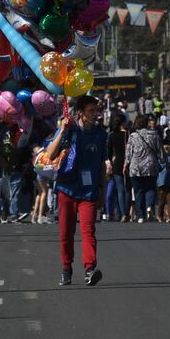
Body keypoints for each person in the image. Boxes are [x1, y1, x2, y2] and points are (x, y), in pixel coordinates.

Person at [43, 95, 107, 286]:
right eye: (91, 111)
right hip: (67, 187)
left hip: (89, 190)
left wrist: (102, 191)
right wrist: (63, 130)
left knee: (88, 231)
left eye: (96, 111)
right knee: (66, 232)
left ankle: (90, 269)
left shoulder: (100, 134)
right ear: (80, 113)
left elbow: (102, 166)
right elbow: (50, 154)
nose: (95, 115)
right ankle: (66, 268)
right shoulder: (69, 129)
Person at [124, 113, 163, 223]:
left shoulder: (133, 136)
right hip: (151, 165)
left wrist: (126, 164)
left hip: (136, 167)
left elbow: (128, 152)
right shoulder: (154, 134)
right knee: (150, 188)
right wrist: (163, 160)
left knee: (138, 191)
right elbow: (160, 151)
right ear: (147, 123)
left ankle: (140, 215)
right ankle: (149, 207)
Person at [103, 114, 128, 223]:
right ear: (123, 122)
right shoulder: (128, 134)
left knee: (120, 190)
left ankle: (123, 214)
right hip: (128, 162)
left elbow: (108, 151)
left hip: (117, 163)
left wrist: (110, 163)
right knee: (128, 189)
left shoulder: (112, 135)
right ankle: (129, 212)